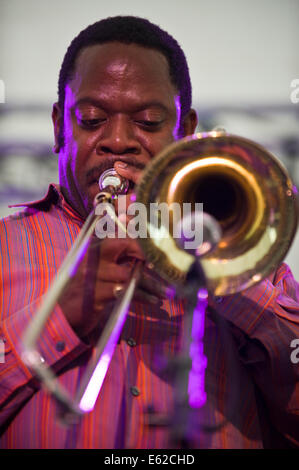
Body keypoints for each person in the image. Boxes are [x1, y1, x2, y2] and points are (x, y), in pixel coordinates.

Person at [1, 15, 299, 450]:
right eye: (91, 119)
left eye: (148, 121)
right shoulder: (5, 248)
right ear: (59, 127)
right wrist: (63, 314)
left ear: (186, 130)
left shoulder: (246, 257)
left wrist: (223, 276)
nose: (118, 141)